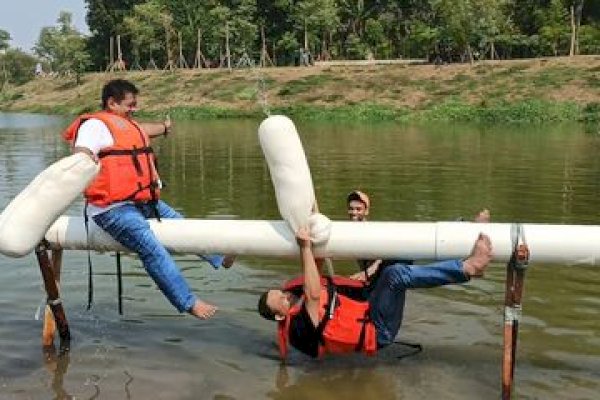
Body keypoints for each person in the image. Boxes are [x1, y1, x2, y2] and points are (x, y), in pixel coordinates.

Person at [62, 79, 233, 320]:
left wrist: (164, 127)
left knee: (184, 226)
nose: (134, 109)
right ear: (112, 103)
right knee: (152, 249)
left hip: (142, 201)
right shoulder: (94, 126)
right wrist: (84, 161)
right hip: (111, 210)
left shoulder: (125, 125)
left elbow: (143, 129)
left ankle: (220, 257)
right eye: (130, 105)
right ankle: (188, 302)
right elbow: (81, 151)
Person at [257, 225, 493, 358]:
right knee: (395, 275)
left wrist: (311, 231)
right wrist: (305, 247)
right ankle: (468, 267)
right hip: (378, 329)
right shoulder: (300, 328)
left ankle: (461, 246)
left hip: (369, 305)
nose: (284, 294)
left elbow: (314, 273)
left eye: (278, 291)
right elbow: (315, 294)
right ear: (280, 315)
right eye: (279, 299)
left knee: (398, 255)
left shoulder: (295, 292)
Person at [346, 190, 491, 281]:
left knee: (426, 251)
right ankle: (468, 259)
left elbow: (386, 252)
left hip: (387, 267)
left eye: (358, 209)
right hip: (380, 274)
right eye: (351, 209)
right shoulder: (343, 230)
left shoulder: (373, 229)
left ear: (366, 211)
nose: (354, 212)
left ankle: (469, 231)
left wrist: (369, 271)